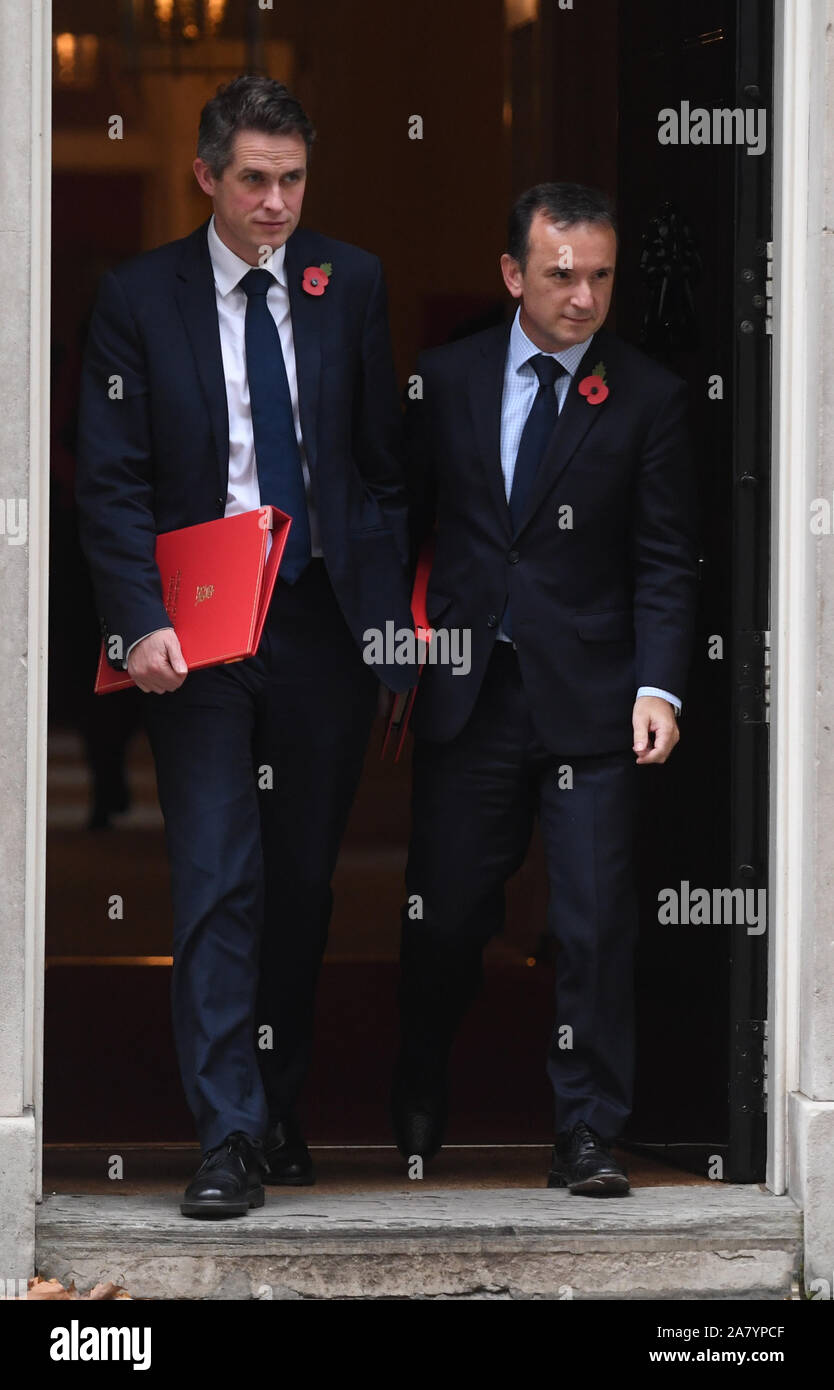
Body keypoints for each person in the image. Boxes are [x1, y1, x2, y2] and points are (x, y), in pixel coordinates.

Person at [75, 76, 414, 1217]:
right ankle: (224, 1137)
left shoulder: (348, 281)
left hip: (319, 621)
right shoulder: (136, 296)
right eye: (255, 180)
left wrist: (392, 624)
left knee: (304, 884)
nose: (276, 203)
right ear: (206, 176)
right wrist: (139, 620)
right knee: (220, 875)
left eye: (294, 180)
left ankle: (277, 1104)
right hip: (200, 630)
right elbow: (110, 480)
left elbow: (379, 463)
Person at [393, 182, 699, 1195]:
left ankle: (586, 1131)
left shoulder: (647, 396)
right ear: (513, 274)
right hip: (471, 692)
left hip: (595, 697)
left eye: (601, 275)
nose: (583, 296)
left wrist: (661, 685)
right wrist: (393, 648)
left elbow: (665, 557)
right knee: (447, 919)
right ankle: (421, 1081)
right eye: (561, 273)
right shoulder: (447, 379)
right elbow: (401, 526)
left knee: (593, 921)